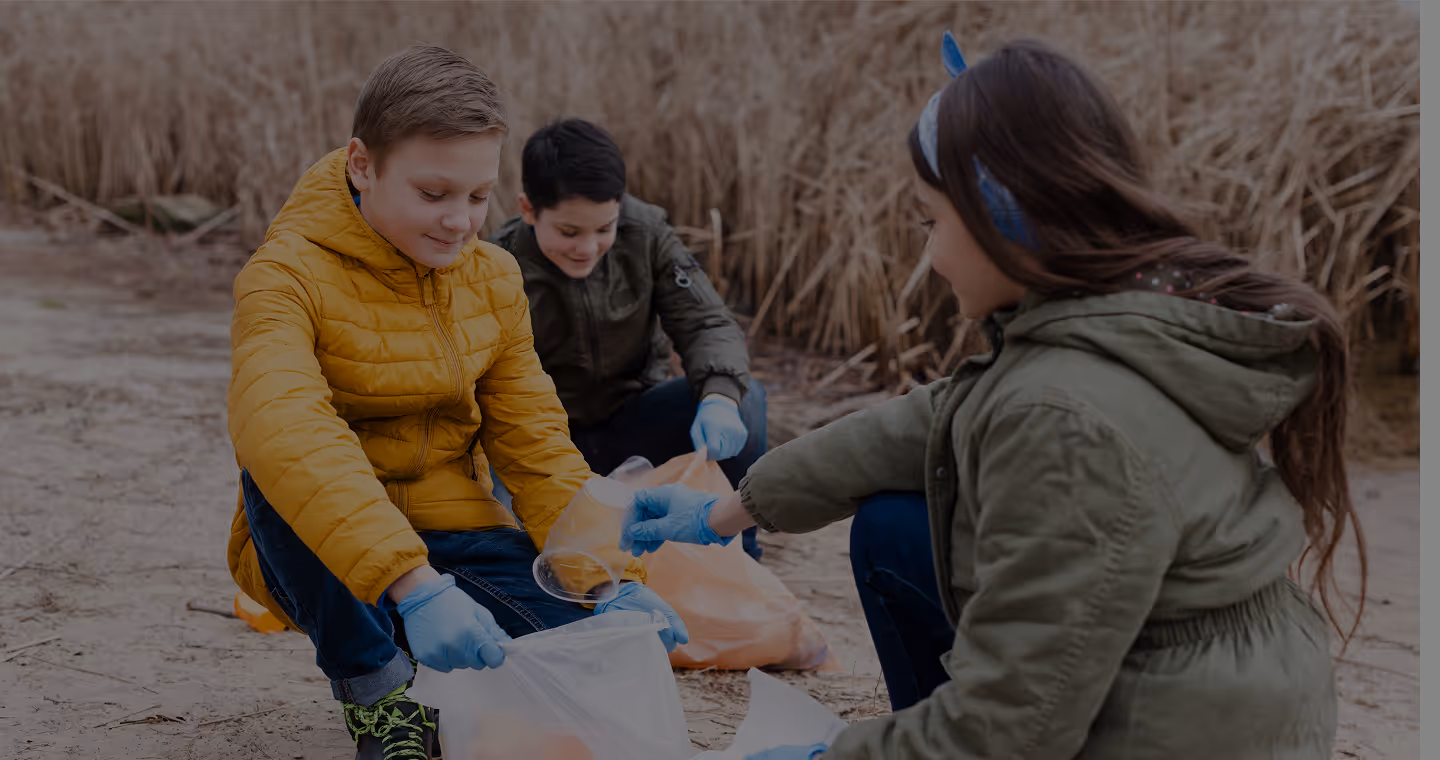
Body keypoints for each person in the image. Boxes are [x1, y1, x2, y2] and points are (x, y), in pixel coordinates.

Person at [622, 33, 1363, 760]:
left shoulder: (1062, 420)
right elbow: (927, 421)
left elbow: (1011, 729)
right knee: (893, 526)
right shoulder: (1120, 317)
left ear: (1003, 216)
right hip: (1222, 696)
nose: (929, 255)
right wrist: (723, 514)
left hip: (1179, 730)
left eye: (931, 222)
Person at [225, 46, 686, 760]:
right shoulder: (284, 276)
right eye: (433, 194)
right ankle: (378, 694)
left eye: (477, 197)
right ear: (363, 166)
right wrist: (412, 585)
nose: (460, 222)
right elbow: (284, 429)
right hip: (324, 554)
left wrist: (606, 580)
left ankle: (426, 653)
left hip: (457, 535)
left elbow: (536, 445)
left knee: (578, 656)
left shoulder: (493, 278)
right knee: (278, 467)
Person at [488, 117, 767, 562]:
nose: (587, 248)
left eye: (604, 229)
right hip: (545, 446)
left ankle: (742, 557)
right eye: (569, 232)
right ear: (528, 209)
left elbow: (707, 322)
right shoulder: (496, 262)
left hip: (633, 422)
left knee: (743, 398)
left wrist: (719, 399)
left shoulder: (647, 233)